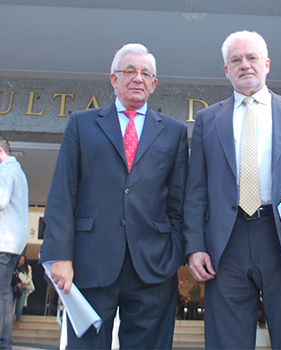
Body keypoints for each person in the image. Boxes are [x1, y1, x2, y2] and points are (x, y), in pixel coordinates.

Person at [183, 30, 281, 349]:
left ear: (267, 64)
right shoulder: (207, 120)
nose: (245, 65)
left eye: (252, 57)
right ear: (226, 70)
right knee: (226, 341)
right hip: (226, 245)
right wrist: (195, 245)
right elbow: (196, 190)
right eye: (235, 60)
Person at [39, 43, 188, 349]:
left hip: (153, 267)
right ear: (113, 78)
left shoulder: (173, 132)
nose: (137, 78)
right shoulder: (81, 124)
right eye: (129, 71)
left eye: (145, 73)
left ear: (154, 83)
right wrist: (60, 256)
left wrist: (173, 253)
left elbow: (179, 202)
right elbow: (62, 194)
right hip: (90, 263)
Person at [0, 137, 28, 350]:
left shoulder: (5, 170)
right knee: (4, 293)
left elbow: (1, 199)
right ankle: (5, 342)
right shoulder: (19, 172)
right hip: (14, 243)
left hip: (3, 240)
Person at [12, 254, 35, 329]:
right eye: (20, 259)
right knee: (11, 305)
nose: (21, 261)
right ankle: (9, 320)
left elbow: (29, 277)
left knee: (20, 306)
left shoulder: (27, 268)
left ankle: (17, 321)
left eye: (23, 260)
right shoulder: (14, 267)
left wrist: (24, 282)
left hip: (23, 287)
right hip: (13, 287)